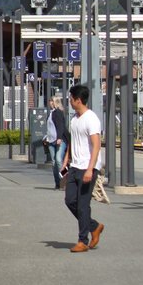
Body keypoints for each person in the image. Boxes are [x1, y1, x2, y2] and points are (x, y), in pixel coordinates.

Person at [62, 84, 103, 253]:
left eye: (71, 99)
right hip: (74, 166)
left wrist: (90, 169)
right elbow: (73, 141)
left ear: (78, 100)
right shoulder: (74, 119)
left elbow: (96, 144)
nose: (69, 101)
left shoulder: (91, 118)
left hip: (88, 167)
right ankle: (94, 226)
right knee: (70, 200)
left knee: (83, 205)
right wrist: (66, 159)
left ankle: (82, 240)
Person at [45, 95, 68, 189]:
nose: (50, 102)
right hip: (51, 140)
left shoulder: (58, 112)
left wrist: (59, 138)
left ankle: (66, 180)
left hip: (60, 140)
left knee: (59, 160)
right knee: (54, 162)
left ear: (56, 102)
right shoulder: (51, 113)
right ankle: (58, 183)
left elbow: (60, 126)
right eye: (50, 101)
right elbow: (50, 128)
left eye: (52, 101)